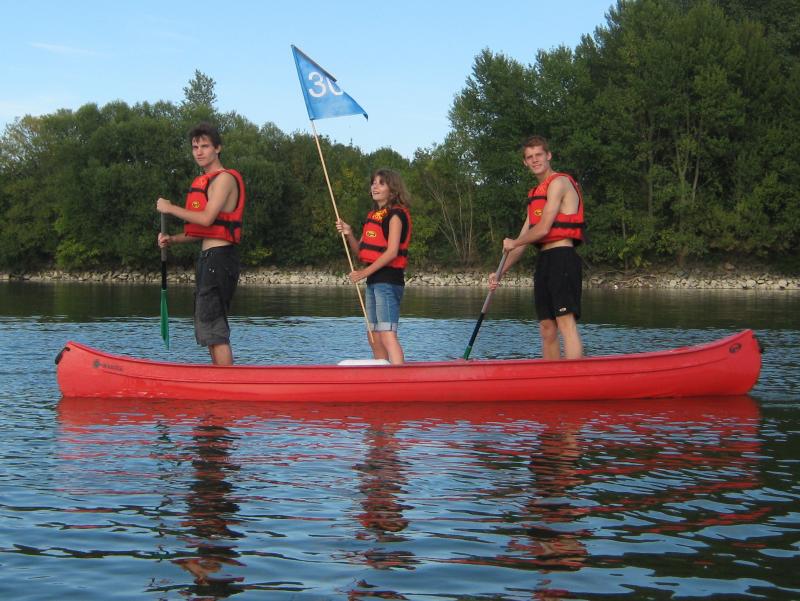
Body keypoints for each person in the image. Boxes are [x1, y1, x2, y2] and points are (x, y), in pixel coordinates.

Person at [156, 123, 245, 365]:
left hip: (220, 259)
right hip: (210, 258)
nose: (199, 151)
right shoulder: (207, 180)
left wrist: (170, 208)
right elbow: (207, 229)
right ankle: (219, 378)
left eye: (205, 146)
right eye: (195, 147)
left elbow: (206, 218)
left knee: (214, 325)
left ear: (218, 148)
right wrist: (173, 239)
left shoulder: (224, 179)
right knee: (207, 325)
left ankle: (226, 384)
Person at [489, 135, 584, 359]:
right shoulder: (535, 195)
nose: (534, 160)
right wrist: (499, 273)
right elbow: (522, 241)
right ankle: (553, 380)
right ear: (525, 162)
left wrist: (514, 242)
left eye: (538, 155)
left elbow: (542, 230)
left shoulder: (560, 183)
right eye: (529, 157)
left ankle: (573, 381)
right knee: (546, 328)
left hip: (563, 257)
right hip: (545, 262)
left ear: (548, 155)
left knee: (564, 322)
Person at [336, 169, 412, 365]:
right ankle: (383, 376)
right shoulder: (374, 216)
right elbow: (361, 253)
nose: (375, 186)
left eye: (381, 183)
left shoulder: (396, 215)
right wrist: (349, 233)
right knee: (373, 336)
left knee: (387, 334)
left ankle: (398, 380)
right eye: (373, 183)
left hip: (389, 281)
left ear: (392, 190)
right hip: (374, 282)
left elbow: (392, 252)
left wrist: (363, 274)